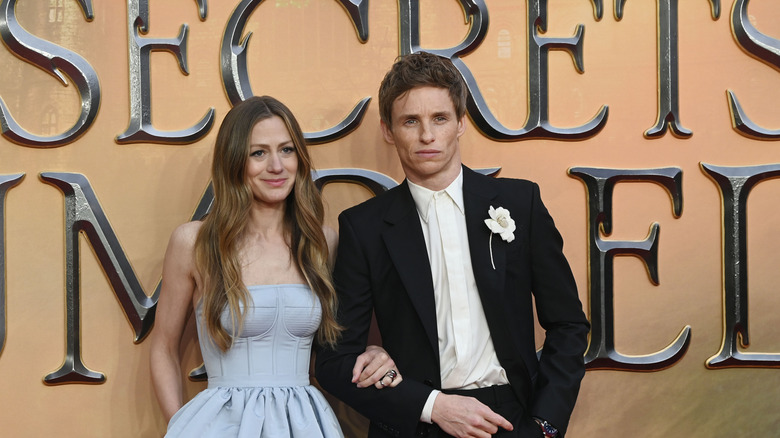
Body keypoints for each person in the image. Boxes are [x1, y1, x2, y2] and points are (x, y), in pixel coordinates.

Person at [315, 52, 590, 438]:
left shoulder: (520, 203)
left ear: (460, 123)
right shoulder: (364, 227)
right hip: (415, 421)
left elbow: (568, 325)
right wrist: (431, 406)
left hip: (511, 419)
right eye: (411, 121)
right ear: (388, 130)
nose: (426, 135)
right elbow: (335, 360)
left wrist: (545, 425)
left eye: (439, 119)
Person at [149, 96, 402, 437]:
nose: (276, 166)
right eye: (258, 153)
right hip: (220, 425)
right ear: (234, 160)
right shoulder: (194, 243)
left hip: (307, 424)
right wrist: (180, 425)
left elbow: (341, 346)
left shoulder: (321, 243)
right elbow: (164, 347)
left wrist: (374, 352)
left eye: (286, 150)